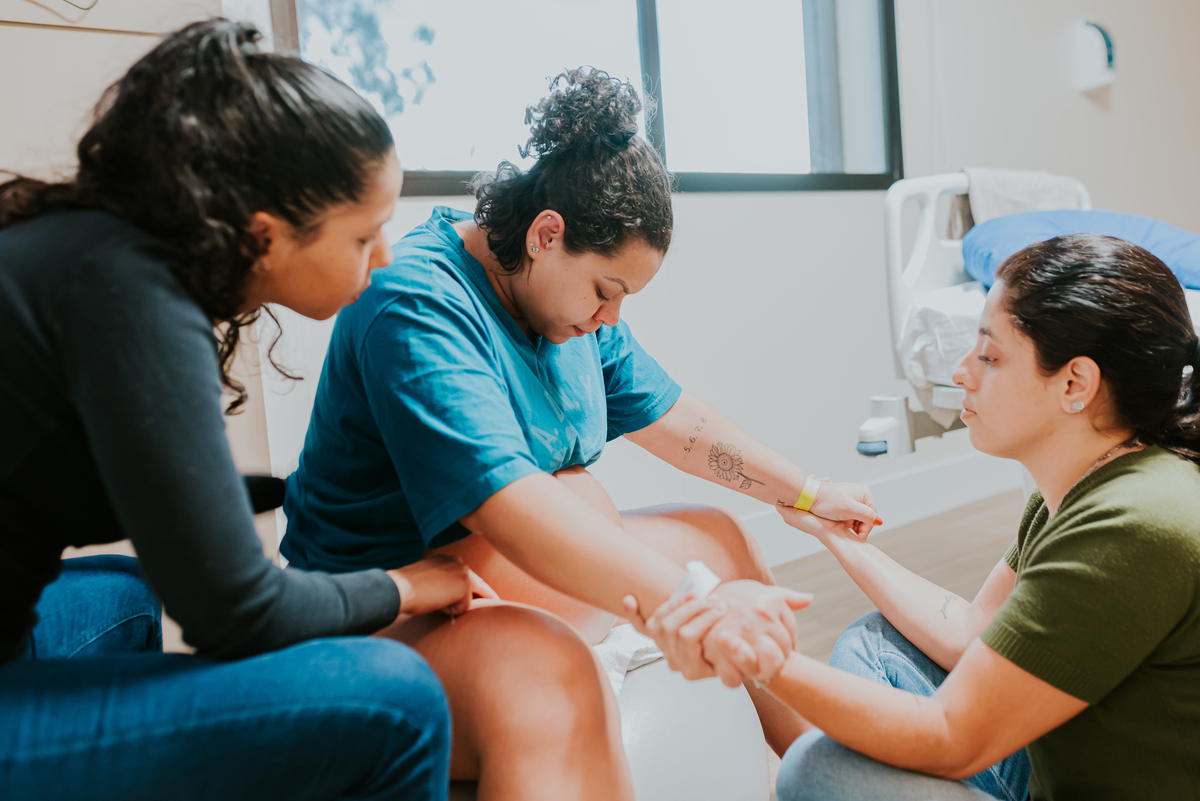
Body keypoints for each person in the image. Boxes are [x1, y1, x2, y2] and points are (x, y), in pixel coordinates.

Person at [279, 67, 878, 799]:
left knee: (722, 537)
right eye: (607, 291)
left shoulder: (564, 313)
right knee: (558, 665)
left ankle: (822, 774)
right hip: (392, 610)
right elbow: (516, 514)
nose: (611, 319)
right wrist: (692, 602)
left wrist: (810, 494)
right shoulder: (418, 305)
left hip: (490, 574)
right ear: (546, 233)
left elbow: (680, 421)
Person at [0, 20, 482, 801]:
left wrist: (266, 493)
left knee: (123, 594)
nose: (386, 255)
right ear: (264, 236)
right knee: (396, 696)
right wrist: (405, 584)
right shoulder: (131, 293)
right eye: (366, 233)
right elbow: (235, 610)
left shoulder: (97, 252)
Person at [638, 233, 1200, 800]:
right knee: (874, 645)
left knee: (818, 770)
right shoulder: (1084, 480)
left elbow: (953, 736)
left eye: (990, 355)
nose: (962, 371)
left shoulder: (1132, 525)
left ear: (1075, 383)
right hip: (1055, 767)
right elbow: (974, 632)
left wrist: (762, 660)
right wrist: (839, 537)